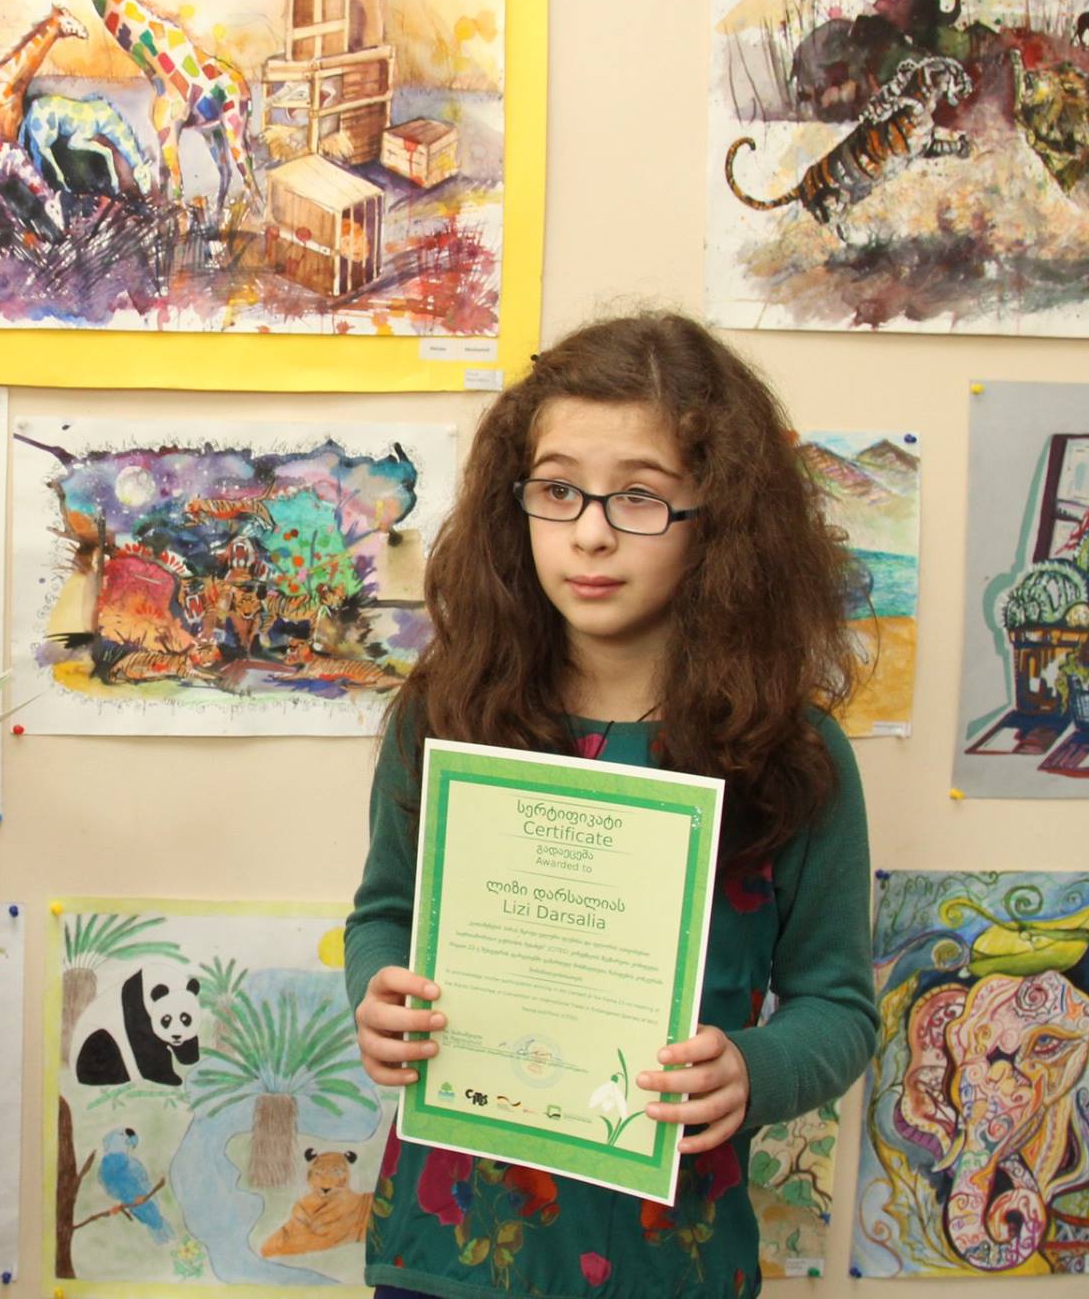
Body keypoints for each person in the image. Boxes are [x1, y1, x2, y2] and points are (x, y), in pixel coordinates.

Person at [345, 314, 879, 1299]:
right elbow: (384, 912)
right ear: (515, 504)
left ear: (719, 516)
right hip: (443, 1251)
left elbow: (838, 1003)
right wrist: (375, 992)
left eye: (638, 495)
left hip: (667, 1258)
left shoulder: (792, 754)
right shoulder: (447, 712)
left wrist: (753, 1068)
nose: (589, 531)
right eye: (557, 490)